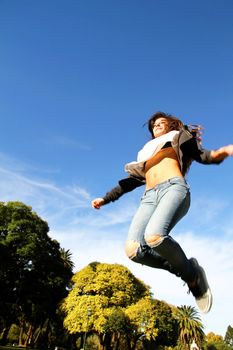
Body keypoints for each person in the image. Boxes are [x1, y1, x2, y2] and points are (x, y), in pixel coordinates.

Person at [91, 111, 233, 313]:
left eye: (161, 122)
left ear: (170, 125)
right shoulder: (146, 153)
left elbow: (203, 155)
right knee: (133, 251)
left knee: (154, 236)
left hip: (173, 188)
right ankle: (187, 270)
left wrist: (224, 152)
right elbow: (128, 183)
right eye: (154, 124)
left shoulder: (178, 137)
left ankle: (193, 279)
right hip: (148, 198)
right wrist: (105, 198)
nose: (157, 125)